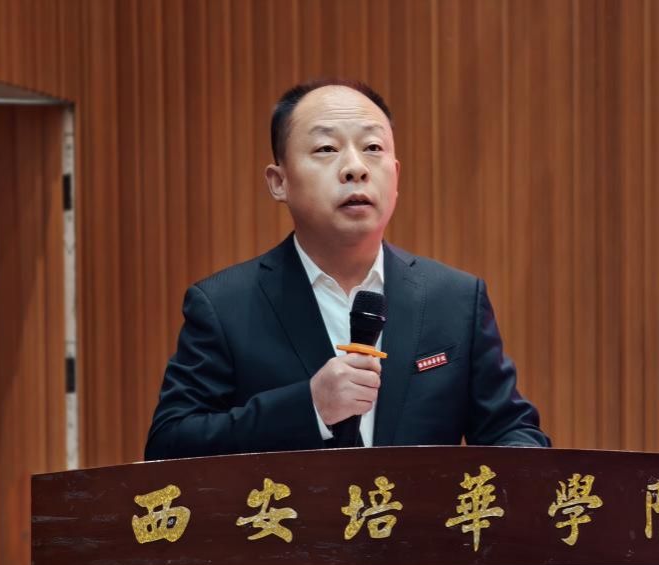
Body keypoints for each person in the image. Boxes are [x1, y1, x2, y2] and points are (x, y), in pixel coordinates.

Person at [144, 79, 548, 459]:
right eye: (326, 149)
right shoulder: (224, 305)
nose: (355, 168)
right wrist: (310, 407)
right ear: (279, 182)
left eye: (372, 147)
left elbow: (511, 430)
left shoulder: (455, 300)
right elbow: (170, 444)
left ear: (396, 177)